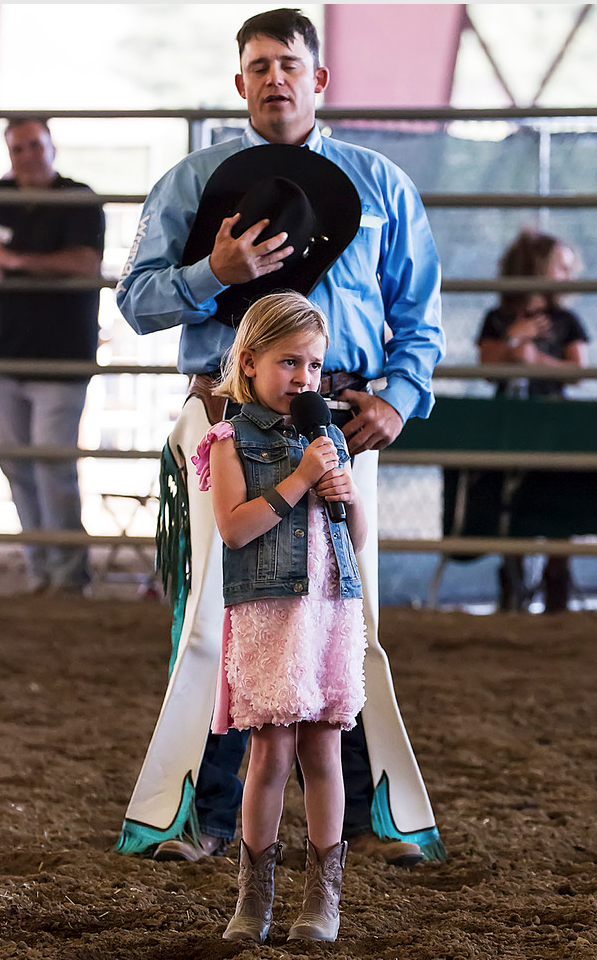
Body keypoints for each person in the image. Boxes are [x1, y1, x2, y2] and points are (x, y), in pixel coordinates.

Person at [115, 7, 447, 868]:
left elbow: (420, 319)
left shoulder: (382, 186)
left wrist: (400, 400)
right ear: (240, 84)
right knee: (220, 617)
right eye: (259, 66)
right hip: (225, 419)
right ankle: (204, 817)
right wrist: (211, 276)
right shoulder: (192, 183)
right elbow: (136, 301)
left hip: (341, 422)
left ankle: (365, 824)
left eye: (289, 64)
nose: (275, 79)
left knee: (347, 611)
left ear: (318, 79)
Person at [192, 291, 367, 943]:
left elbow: (355, 538)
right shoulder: (230, 440)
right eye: (289, 362)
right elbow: (236, 529)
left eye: (315, 366)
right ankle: (253, 898)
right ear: (250, 360)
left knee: (325, 748)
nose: (304, 378)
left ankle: (323, 900)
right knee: (269, 753)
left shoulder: (329, 439)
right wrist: (298, 479)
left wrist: (343, 489)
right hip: (269, 615)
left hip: (328, 611)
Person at [0, 117, 105, 596]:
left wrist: (18, 263)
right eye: (18, 148)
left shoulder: (78, 199)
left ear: (52, 147)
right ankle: (41, 566)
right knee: (17, 464)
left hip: (60, 359)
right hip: (7, 357)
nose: (27, 156)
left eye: (35, 146)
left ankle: (68, 575)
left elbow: (86, 263)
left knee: (50, 462)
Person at [476, 229, 589, 612]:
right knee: (512, 494)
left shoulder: (566, 320)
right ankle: (513, 578)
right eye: (562, 267)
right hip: (509, 420)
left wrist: (537, 361)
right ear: (537, 269)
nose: (569, 276)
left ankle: (558, 577)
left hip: (554, 420)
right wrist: (512, 341)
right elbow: (487, 366)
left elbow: (578, 370)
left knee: (560, 490)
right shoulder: (498, 318)